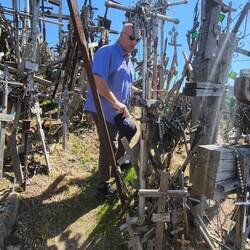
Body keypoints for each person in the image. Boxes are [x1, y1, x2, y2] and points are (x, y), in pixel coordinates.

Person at [84, 23, 140, 196]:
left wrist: (138, 92)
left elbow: (127, 85)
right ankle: (103, 184)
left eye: (137, 39)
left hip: (118, 110)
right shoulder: (107, 52)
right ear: (121, 35)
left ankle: (117, 163)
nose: (134, 42)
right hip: (103, 108)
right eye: (131, 38)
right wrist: (116, 103)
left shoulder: (128, 60)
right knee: (108, 145)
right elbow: (98, 81)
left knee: (131, 129)